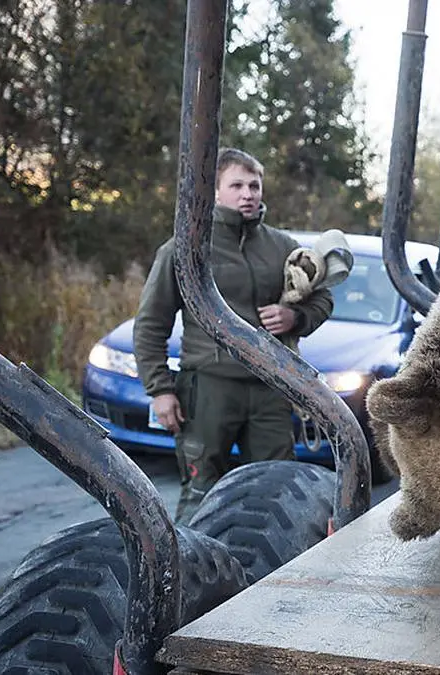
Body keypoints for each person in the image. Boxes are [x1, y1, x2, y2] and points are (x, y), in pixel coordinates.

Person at [133, 148, 335, 523]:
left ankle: (273, 578)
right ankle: (189, 575)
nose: (248, 194)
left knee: (277, 489)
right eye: (237, 185)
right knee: (202, 492)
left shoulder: (282, 247)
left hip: (271, 389)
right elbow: (150, 323)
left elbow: (323, 299)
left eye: (254, 185)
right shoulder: (185, 247)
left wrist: (295, 316)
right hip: (208, 388)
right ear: (215, 191)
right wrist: (159, 389)